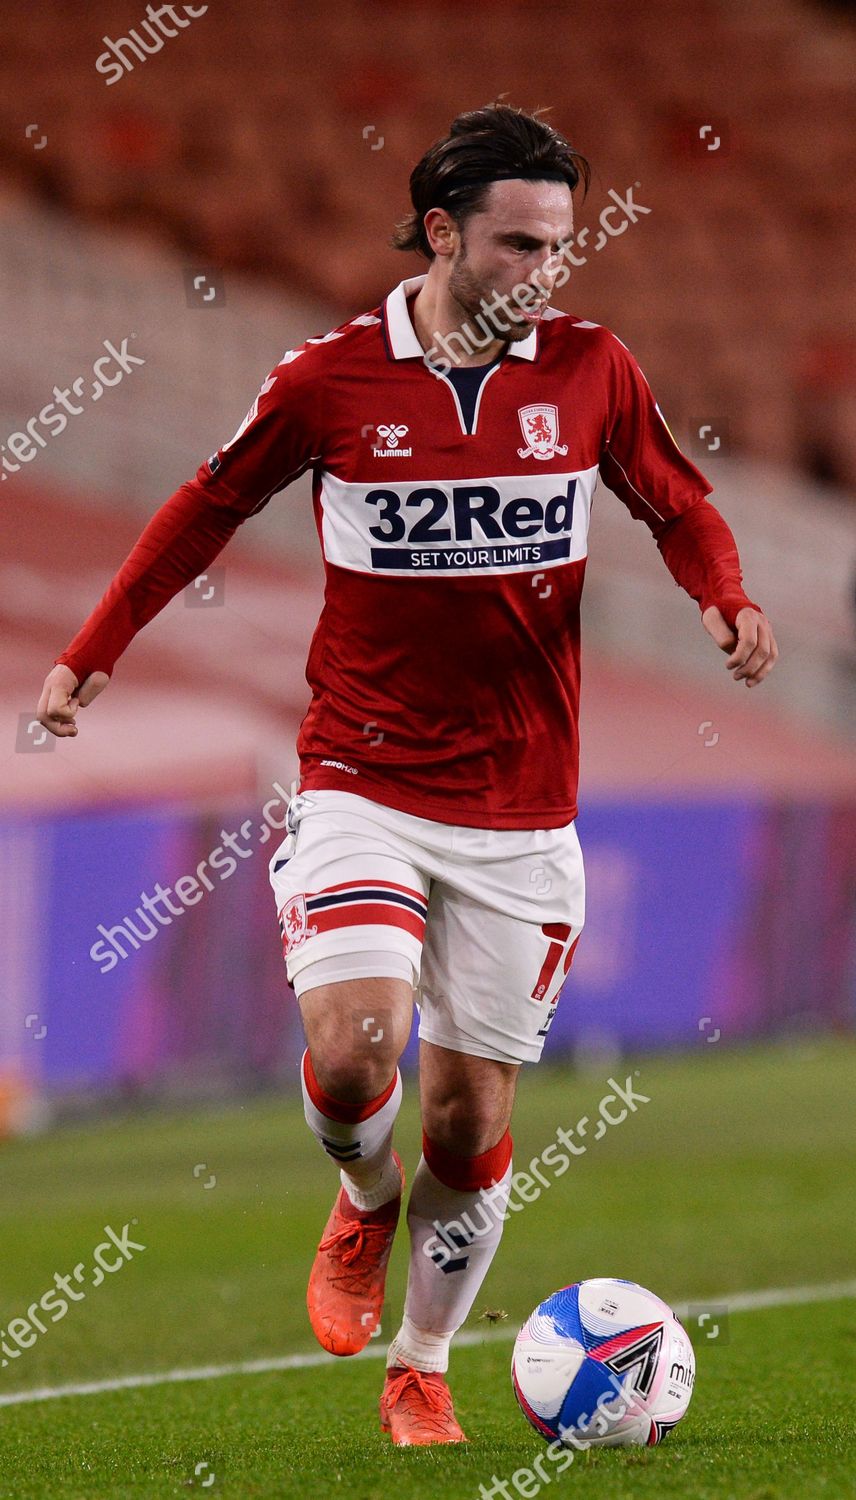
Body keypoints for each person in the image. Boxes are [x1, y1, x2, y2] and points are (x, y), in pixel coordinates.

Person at [36, 103, 778, 1447]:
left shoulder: (594, 370)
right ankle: (362, 1202)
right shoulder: (330, 381)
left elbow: (679, 501)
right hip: (362, 780)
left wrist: (724, 596)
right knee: (354, 1052)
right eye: (517, 245)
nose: (545, 272)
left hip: (523, 809)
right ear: (442, 233)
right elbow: (206, 503)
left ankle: (422, 1363)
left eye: (560, 247)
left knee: (469, 1113)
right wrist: (95, 650)